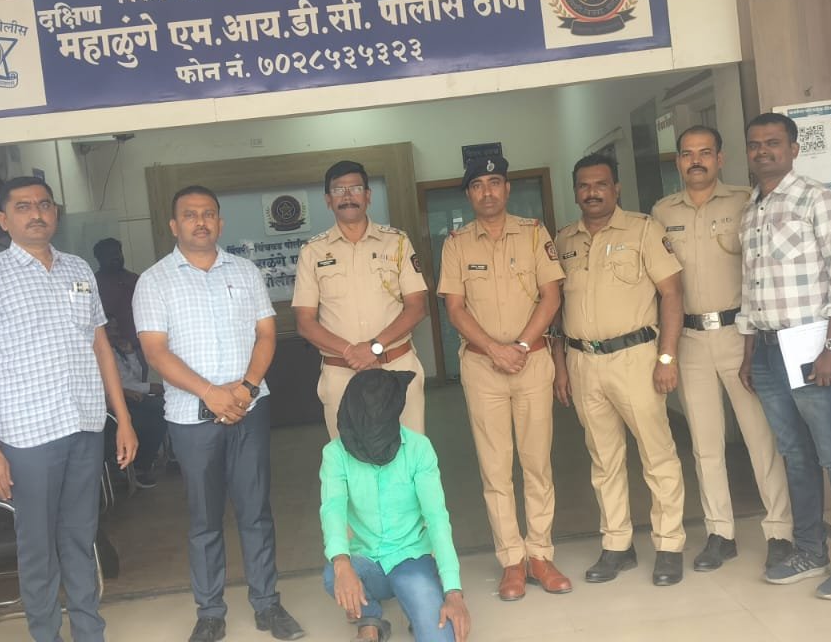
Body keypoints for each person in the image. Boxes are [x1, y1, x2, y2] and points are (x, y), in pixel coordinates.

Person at [0, 176, 138, 642]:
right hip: (28, 436)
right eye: (23, 207)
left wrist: (123, 419)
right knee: (37, 546)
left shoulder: (78, 269)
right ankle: (46, 634)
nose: (36, 213)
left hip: (84, 425)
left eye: (43, 204)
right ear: (3, 220)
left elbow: (101, 349)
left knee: (80, 538)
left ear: (55, 213)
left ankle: (89, 632)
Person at [133, 186, 305, 642]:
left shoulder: (245, 272)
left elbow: (266, 334)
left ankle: (268, 605)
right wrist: (210, 393)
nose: (201, 222)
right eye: (190, 215)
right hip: (192, 419)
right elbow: (155, 352)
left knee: (256, 512)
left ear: (220, 223)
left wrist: (246, 388)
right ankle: (210, 612)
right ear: (174, 225)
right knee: (204, 519)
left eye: (208, 214)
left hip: (249, 408)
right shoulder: (154, 280)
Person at [737, 112, 831, 599]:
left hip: (814, 347)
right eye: (755, 144)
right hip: (767, 349)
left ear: (794, 149)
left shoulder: (821, 201)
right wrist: (749, 351)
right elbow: (751, 289)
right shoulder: (752, 211)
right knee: (795, 455)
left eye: (773, 143)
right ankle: (810, 549)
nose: (763, 151)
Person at [651, 126, 795, 573]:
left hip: (739, 335)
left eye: (704, 152)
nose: (695, 160)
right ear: (678, 160)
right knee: (705, 443)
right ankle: (720, 533)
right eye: (687, 154)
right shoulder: (661, 212)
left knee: (760, 438)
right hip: (689, 339)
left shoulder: (744, 202)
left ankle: (780, 532)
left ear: (720, 158)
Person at [438, 155, 572, 600]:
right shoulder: (457, 244)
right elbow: (455, 308)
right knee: (495, 468)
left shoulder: (534, 233)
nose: (488, 192)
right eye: (478, 185)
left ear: (507, 189)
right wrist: (496, 350)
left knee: (537, 463)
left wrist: (519, 347)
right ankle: (512, 560)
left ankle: (541, 554)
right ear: (469, 194)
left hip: (532, 363)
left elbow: (551, 297)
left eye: (495, 182)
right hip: (483, 368)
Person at [551, 154, 688, 587]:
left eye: (601, 184)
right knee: (603, 459)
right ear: (575, 191)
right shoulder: (564, 240)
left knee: (657, 454)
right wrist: (561, 367)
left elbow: (672, 294)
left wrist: (667, 358)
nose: (592, 192)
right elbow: (555, 309)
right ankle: (617, 545)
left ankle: (669, 545)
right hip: (583, 361)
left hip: (636, 358)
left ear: (616, 188)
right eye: (584, 185)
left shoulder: (644, 230)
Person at [319, 369, 472, 642]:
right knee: (333, 574)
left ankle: (422, 596)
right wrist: (342, 563)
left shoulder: (419, 448)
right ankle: (370, 618)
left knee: (440, 638)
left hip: (411, 559)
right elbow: (333, 509)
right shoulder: (335, 454)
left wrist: (454, 593)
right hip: (367, 561)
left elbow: (437, 518)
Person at [294, 160, 430, 438]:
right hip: (341, 374)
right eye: (338, 190)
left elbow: (417, 307)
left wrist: (374, 348)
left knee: (409, 451)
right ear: (328, 200)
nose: (347, 196)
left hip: (397, 367)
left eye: (355, 188)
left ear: (368, 196)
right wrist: (351, 352)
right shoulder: (312, 252)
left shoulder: (398, 242)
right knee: (349, 455)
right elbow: (305, 322)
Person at [108, 326, 168, 488]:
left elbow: (136, 377)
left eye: (115, 328)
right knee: (151, 418)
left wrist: (130, 353)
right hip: (116, 402)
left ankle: (147, 459)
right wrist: (148, 388)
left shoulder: (117, 351)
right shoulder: (100, 354)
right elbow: (116, 385)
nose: (115, 332)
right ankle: (138, 465)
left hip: (134, 394)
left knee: (163, 409)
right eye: (109, 329)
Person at [93, 237, 140, 340]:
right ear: (99, 258)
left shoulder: (135, 279)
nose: (115, 257)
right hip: (111, 345)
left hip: (139, 342)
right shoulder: (93, 284)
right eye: (109, 254)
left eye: (117, 253)